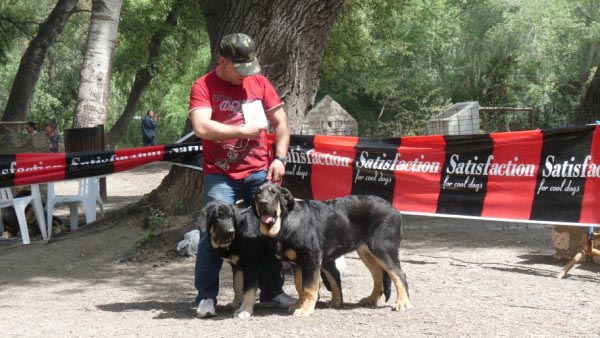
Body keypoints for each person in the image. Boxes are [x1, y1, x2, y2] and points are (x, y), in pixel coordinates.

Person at [188, 33, 293, 318]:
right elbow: (201, 127)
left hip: (259, 172)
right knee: (212, 231)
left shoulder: (259, 83)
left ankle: (272, 292)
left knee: (268, 232)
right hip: (220, 175)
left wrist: (280, 159)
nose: (245, 75)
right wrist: (241, 131)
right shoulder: (204, 85)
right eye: (239, 69)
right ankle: (206, 298)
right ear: (223, 61)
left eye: (249, 67)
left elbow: (281, 122)